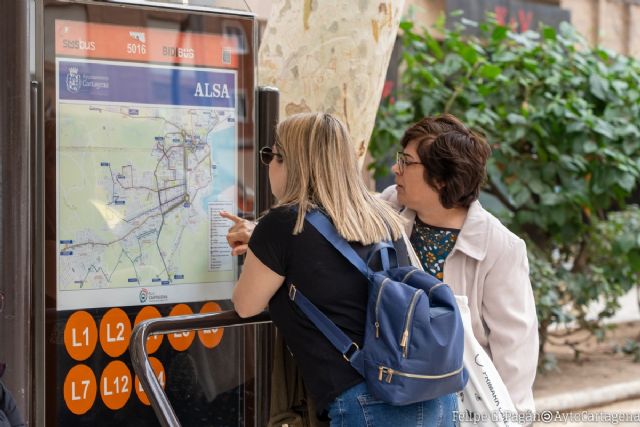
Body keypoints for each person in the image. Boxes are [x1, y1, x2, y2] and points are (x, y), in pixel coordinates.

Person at [222, 112, 458, 426]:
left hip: (369, 402)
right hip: (432, 393)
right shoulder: (381, 215)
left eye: (271, 155)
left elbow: (245, 304)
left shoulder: (282, 224)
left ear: (290, 162)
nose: (268, 165)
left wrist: (259, 247)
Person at [380, 114, 538, 414]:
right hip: (397, 390)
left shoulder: (500, 248)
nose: (395, 168)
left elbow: (515, 349)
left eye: (406, 161)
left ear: (441, 178)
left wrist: (508, 418)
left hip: (462, 401)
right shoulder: (391, 207)